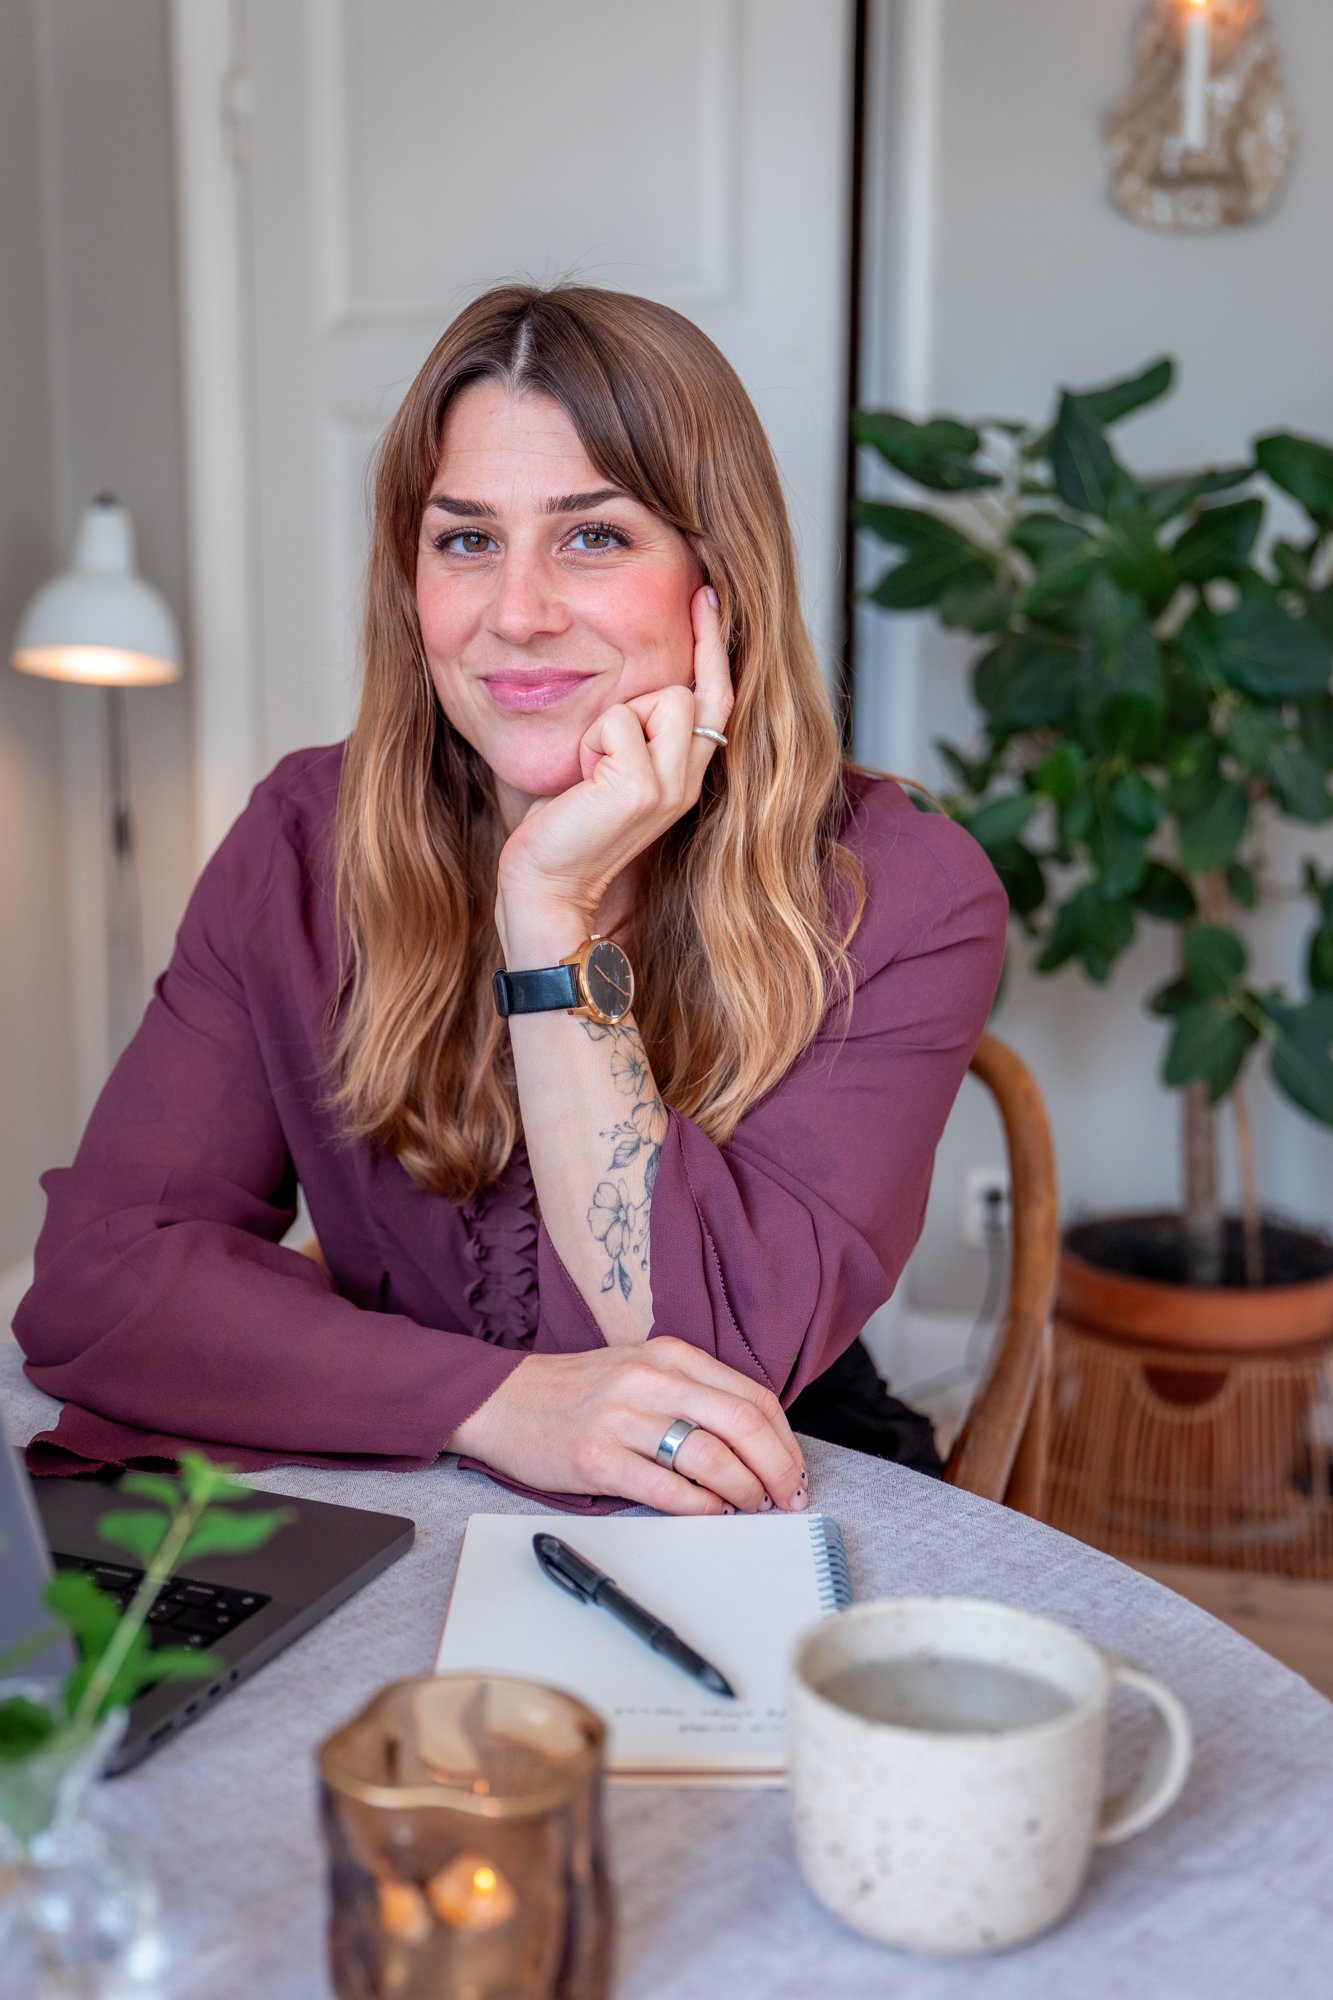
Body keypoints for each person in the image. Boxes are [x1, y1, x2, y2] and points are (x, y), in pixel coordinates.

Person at [15, 284, 1007, 1517]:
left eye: (593, 534)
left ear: (720, 580)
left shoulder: (897, 887)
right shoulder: (302, 839)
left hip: (752, 1499)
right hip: (417, 1466)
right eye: (466, 538)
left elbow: (703, 1373)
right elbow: (96, 1281)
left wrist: (550, 911)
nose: (517, 612)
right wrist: (501, 1403)